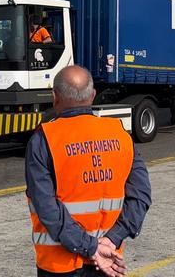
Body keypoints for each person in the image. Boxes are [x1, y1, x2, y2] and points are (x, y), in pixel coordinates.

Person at [25, 65, 152, 277]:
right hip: (108, 259)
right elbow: (141, 195)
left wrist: (91, 247)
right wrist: (112, 239)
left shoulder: (44, 139)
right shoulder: (120, 134)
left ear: (54, 97)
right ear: (93, 96)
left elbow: (47, 208)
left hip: (61, 264)